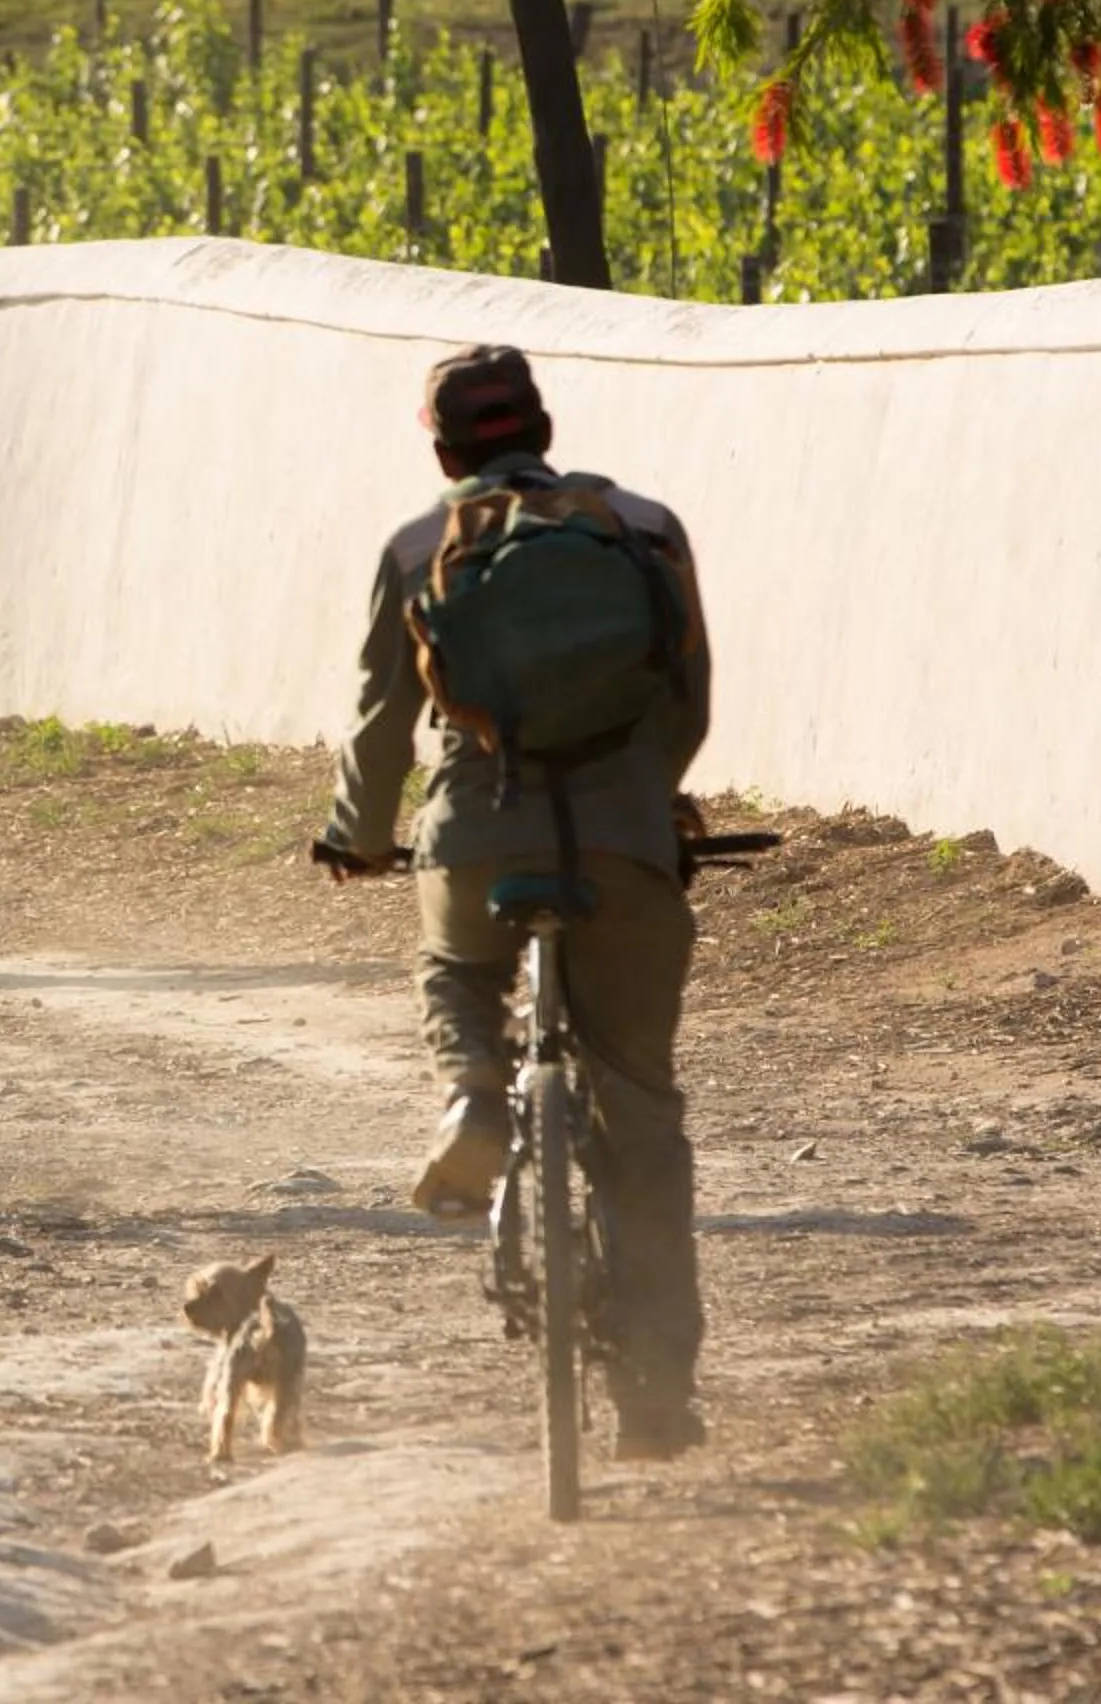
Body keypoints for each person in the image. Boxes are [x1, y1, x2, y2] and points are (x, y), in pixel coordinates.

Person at [318, 343, 716, 1458]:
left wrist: (357, 839)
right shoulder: (646, 526)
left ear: (441, 445)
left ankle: (478, 1092)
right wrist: (651, 793)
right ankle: (654, 1397)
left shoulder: (414, 550)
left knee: (454, 966)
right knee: (639, 1108)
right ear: (543, 423)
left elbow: (381, 727)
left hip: (478, 838)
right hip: (628, 842)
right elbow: (687, 698)